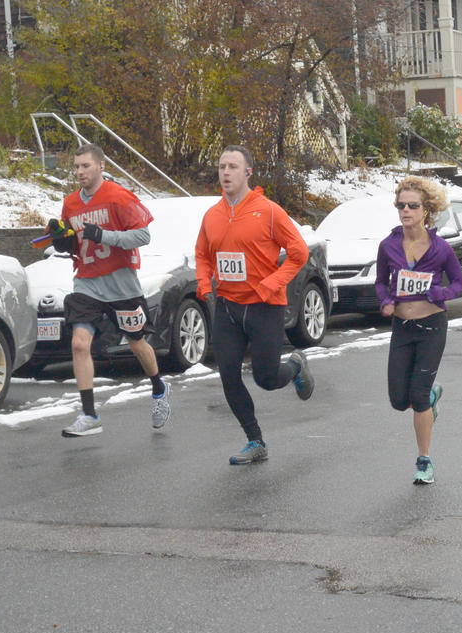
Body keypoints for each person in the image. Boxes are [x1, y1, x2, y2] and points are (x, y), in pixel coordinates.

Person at [195, 145, 314, 465]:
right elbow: (203, 255)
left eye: (233, 166)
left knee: (266, 378)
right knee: (228, 374)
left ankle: (295, 368)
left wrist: (274, 282)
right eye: (221, 167)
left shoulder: (269, 211)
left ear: (248, 173)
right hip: (229, 307)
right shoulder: (212, 215)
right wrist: (205, 283)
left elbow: (300, 252)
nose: (225, 172)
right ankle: (254, 440)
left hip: (264, 306)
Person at [49, 143, 171, 436]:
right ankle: (89, 414)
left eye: (85, 166)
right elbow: (74, 243)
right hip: (87, 283)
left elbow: (143, 235)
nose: (80, 172)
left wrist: (105, 235)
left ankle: (158, 388)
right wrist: (62, 241)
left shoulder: (118, 197)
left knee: (137, 343)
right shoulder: (70, 203)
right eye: (76, 166)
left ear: (101, 166)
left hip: (121, 285)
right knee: (79, 343)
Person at [375, 176, 462, 485]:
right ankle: (431, 396)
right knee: (399, 400)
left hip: (432, 326)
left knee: (417, 395)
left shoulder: (439, 248)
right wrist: (385, 300)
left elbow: (458, 283)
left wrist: (439, 294)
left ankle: (424, 461)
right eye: (401, 205)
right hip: (402, 327)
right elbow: (379, 281)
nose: (406, 210)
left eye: (413, 205)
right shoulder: (388, 246)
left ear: (427, 209)